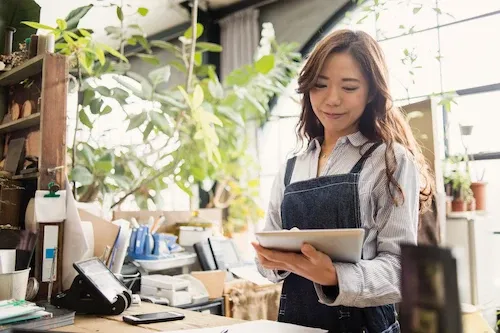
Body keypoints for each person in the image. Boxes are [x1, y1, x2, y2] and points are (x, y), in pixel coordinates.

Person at [252, 29, 433, 333]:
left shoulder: (390, 160)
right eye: (320, 85)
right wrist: (276, 259)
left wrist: (334, 275)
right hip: (296, 327)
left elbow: (402, 271)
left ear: (372, 92)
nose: (332, 99)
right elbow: (265, 258)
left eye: (349, 87)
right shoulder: (291, 166)